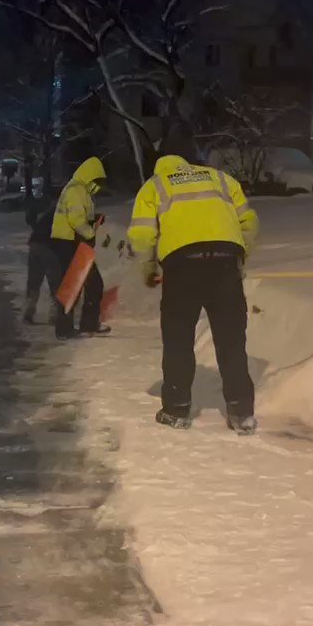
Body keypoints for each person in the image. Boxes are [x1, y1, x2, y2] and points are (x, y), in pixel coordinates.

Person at [127, 139, 260, 435]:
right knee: (231, 342)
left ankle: (176, 410)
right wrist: (240, 259)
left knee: (178, 340)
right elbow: (249, 222)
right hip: (225, 263)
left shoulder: (155, 185)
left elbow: (141, 235)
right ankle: (242, 413)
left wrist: (148, 269)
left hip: (182, 267)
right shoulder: (220, 179)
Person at [51, 156, 110, 340]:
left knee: (89, 285)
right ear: (91, 176)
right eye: (97, 181)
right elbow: (76, 221)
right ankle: (67, 329)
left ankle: (82, 326)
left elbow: (81, 217)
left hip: (74, 243)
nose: (98, 187)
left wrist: (94, 219)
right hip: (70, 243)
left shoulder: (81, 190)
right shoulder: (76, 190)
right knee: (77, 286)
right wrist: (91, 233)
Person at [23, 188, 61, 325]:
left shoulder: (44, 209)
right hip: (50, 247)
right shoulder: (61, 211)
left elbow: (30, 217)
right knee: (55, 281)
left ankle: (28, 309)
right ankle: (55, 314)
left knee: (34, 280)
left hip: (35, 245)